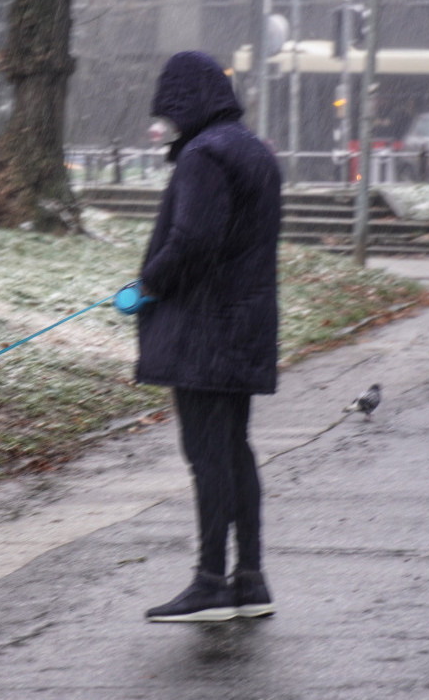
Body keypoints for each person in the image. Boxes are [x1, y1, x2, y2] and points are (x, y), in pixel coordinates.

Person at [135, 51, 282, 623]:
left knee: (206, 455)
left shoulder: (202, 155)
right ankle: (250, 577)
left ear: (187, 100)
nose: (166, 121)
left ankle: (209, 582)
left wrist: (148, 284)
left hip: (202, 329)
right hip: (245, 323)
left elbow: (193, 241)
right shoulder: (254, 151)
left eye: (170, 106)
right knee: (235, 449)